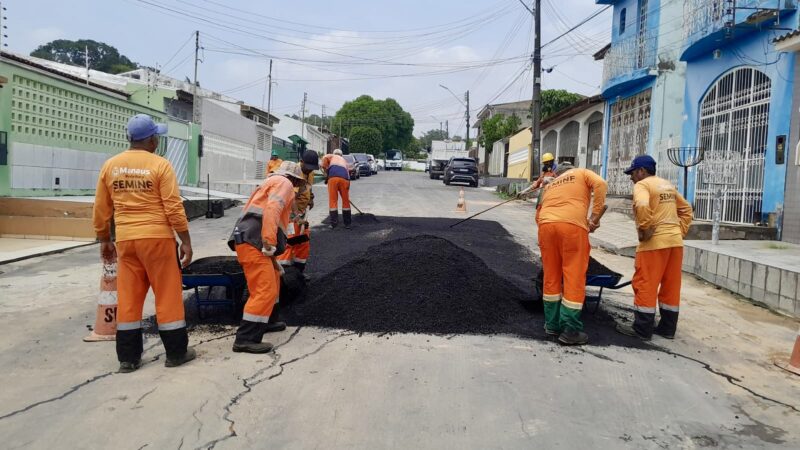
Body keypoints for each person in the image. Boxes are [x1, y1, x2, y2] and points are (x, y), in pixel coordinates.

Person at [93, 114, 195, 373]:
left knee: (128, 299)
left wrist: (105, 240)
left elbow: (101, 209)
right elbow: (173, 207)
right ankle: (176, 353)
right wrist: (185, 240)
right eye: (156, 136)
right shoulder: (161, 165)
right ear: (151, 140)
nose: (157, 140)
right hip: (158, 239)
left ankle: (128, 358)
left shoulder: (111, 166)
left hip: (126, 241)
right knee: (167, 296)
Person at [228, 161, 307, 353]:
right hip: (255, 241)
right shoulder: (284, 183)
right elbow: (272, 209)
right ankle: (245, 338)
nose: (296, 186)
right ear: (294, 178)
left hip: (250, 240)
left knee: (274, 280)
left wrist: (273, 260)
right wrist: (269, 242)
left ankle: (270, 321)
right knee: (264, 290)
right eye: (297, 183)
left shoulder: (270, 182)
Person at [616, 155, 693, 340]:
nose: (631, 177)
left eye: (633, 173)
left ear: (641, 171)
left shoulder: (643, 185)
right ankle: (667, 329)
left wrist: (645, 229)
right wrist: (678, 232)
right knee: (671, 286)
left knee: (646, 283)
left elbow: (642, 204)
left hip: (654, 245)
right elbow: (687, 210)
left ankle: (642, 330)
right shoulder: (667, 185)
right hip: (675, 244)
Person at [537, 162, 607, 345]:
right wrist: (594, 217)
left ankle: (551, 325)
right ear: (571, 170)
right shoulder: (582, 172)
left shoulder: (550, 184)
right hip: (572, 227)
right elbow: (601, 184)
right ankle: (570, 329)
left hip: (545, 226)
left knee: (551, 276)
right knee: (573, 275)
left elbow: (538, 214)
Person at [277, 150, 318, 273]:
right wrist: (295, 217)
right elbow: (291, 198)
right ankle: (283, 274)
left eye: (312, 168)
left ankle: (298, 273)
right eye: (308, 167)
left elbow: (309, 188)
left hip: (302, 214)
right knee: (289, 242)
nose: (310, 170)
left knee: (303, 241)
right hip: (291, 215)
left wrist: (310, 198)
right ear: (301, 162)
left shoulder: (310, 173)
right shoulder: (294, 174)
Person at [320, 148, 351, 229]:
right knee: (346, 201)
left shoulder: (332, 156)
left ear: (334, 153)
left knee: (333, 200)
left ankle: (334, 224)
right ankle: (347, 223)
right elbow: (348, 174)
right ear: (341, 155)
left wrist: (326, 173)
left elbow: (324, 158)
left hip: (333, 179)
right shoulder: (344, 161)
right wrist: (347, 188)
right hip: (345, 179)